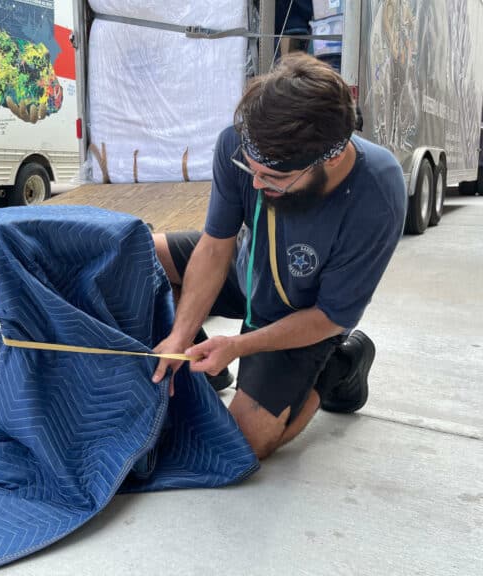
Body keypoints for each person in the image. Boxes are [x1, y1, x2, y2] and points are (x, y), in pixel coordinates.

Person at [151, 53, 407, 460]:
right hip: (244, 267)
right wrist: (182, 335)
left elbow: (329, 316)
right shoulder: (238, 143)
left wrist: (238, 345)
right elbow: (216, 245)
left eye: (273, 177)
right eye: (250, 168)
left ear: (332, 157)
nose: (255, 182)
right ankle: (194, 365)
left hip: (298, 314)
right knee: (139, 253)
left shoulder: (377, 194)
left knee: (244, 445)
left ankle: (339, 367)